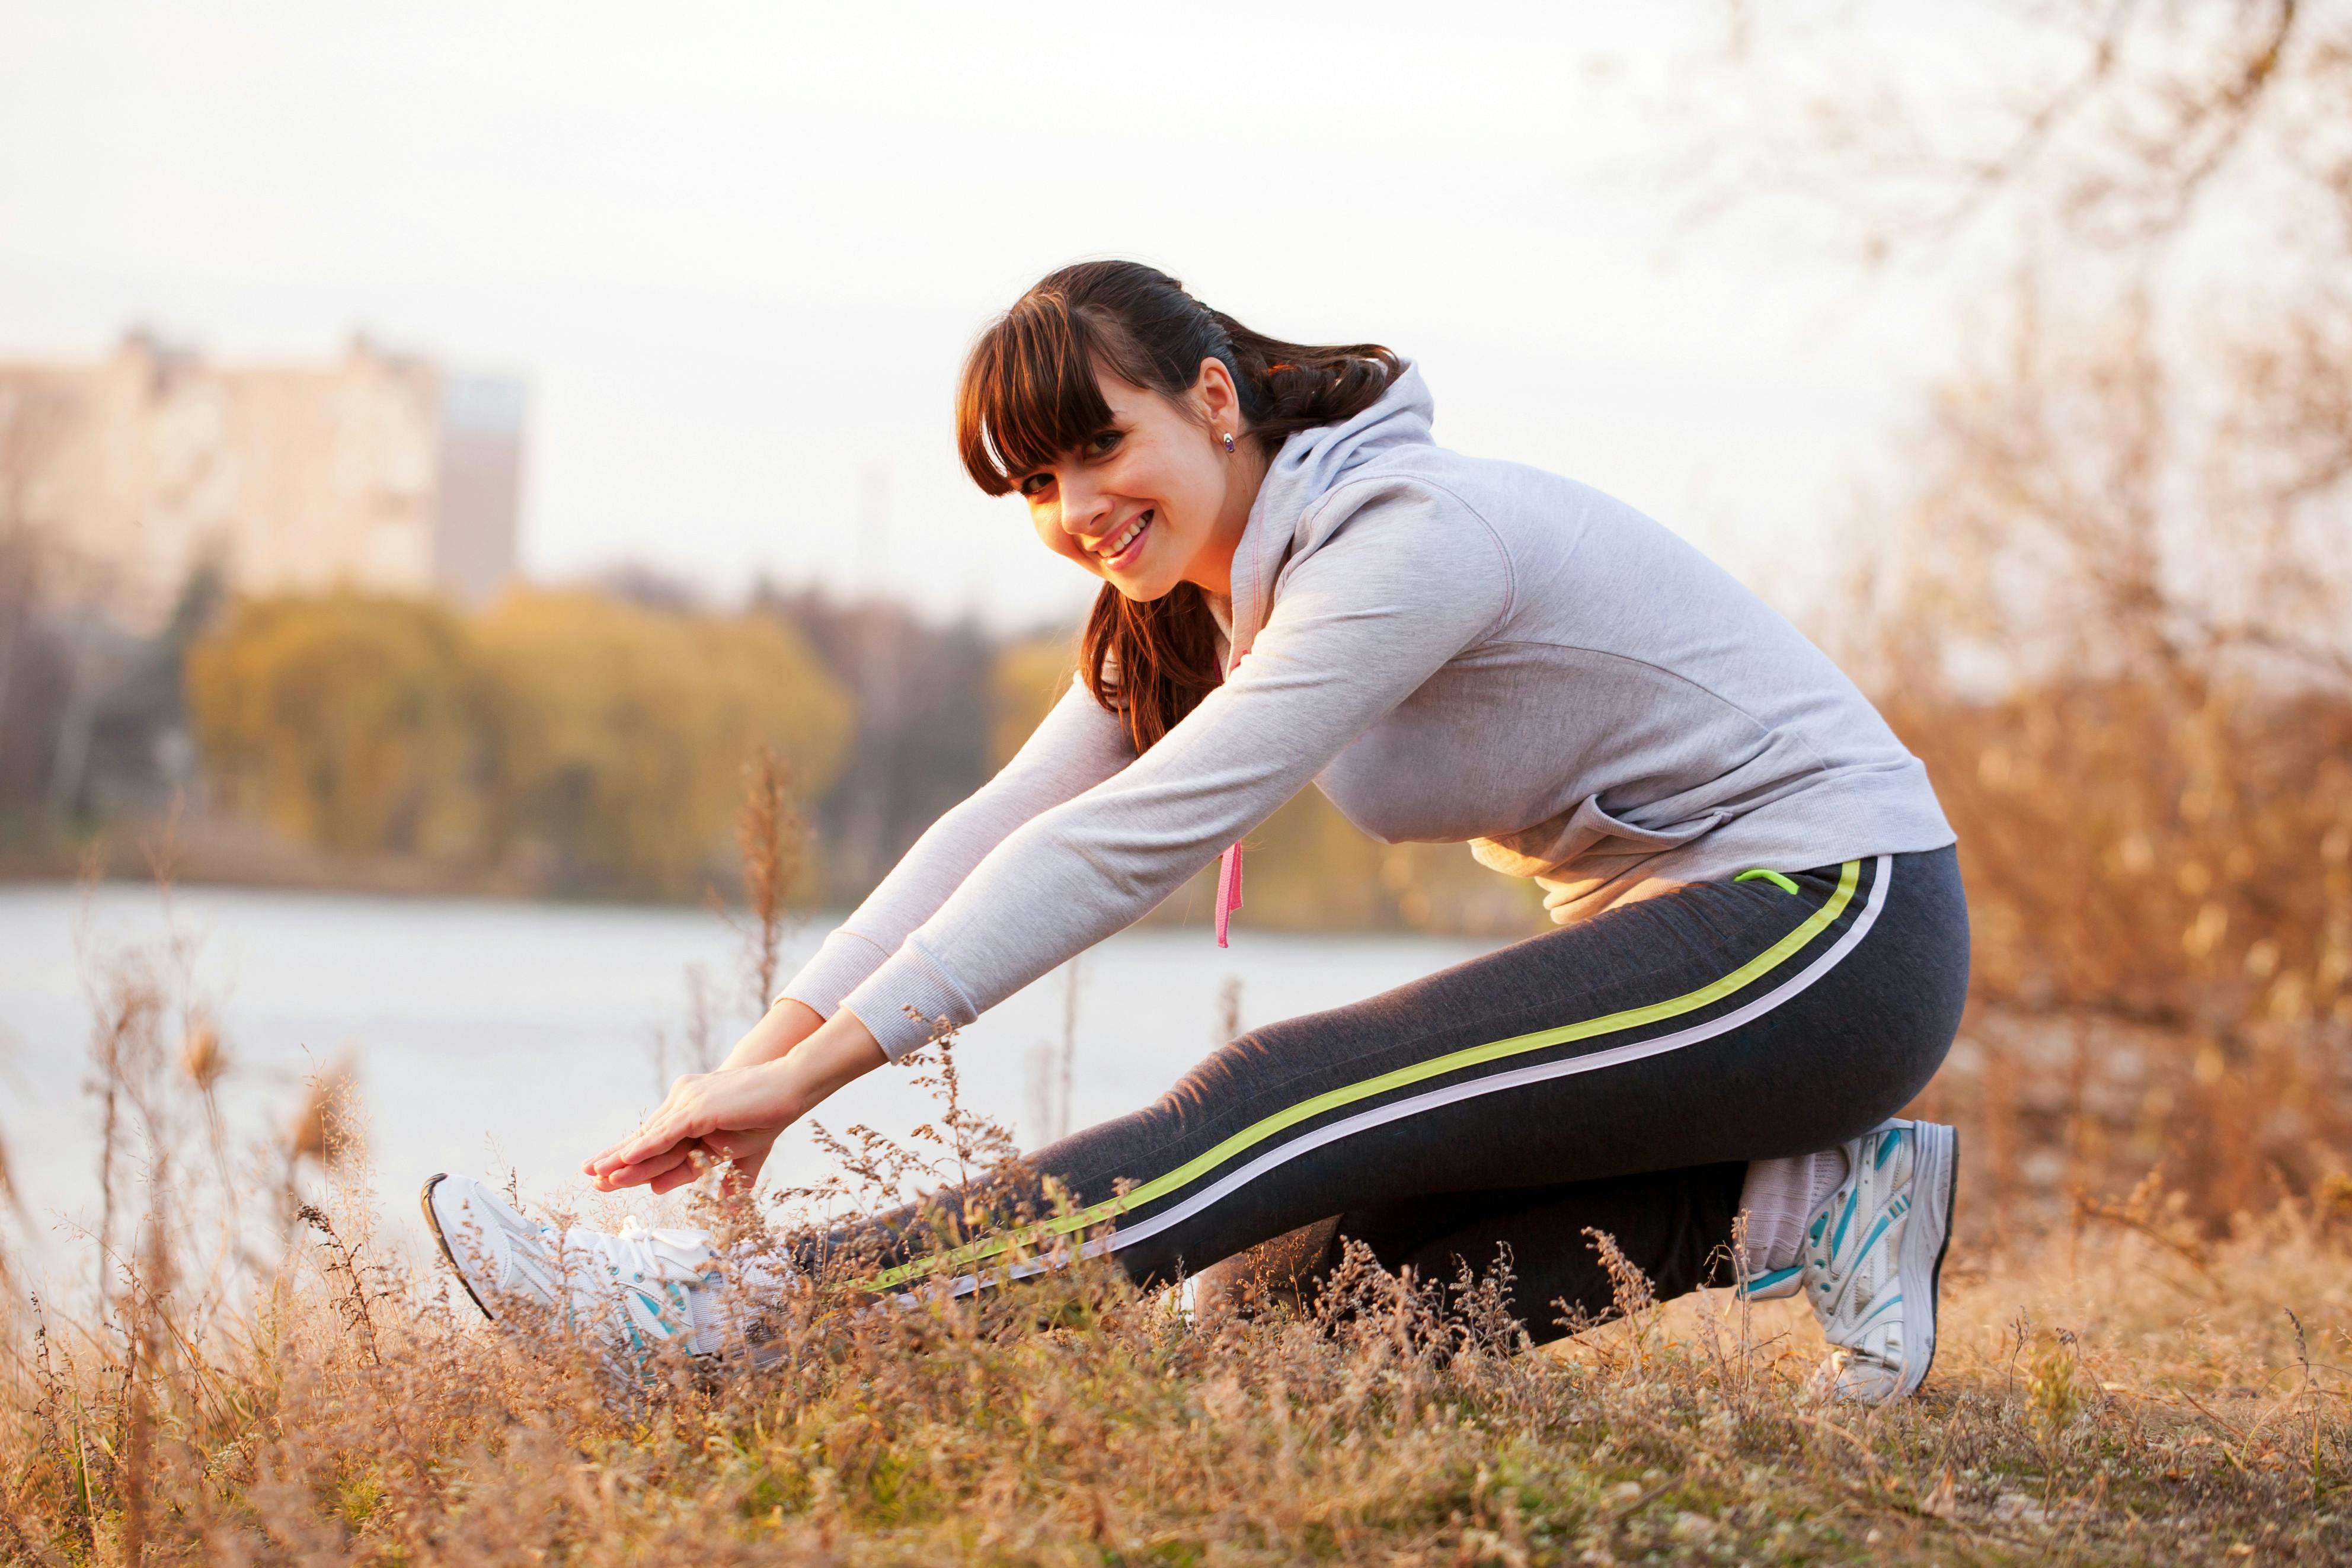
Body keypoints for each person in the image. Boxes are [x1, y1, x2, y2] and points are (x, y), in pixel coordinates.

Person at [421, 260, 1969, 1404]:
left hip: (1832, 920)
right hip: (1689, 952)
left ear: (1213, 400)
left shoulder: (1406, 546)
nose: (1078, 503)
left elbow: (1121, 846)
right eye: (1035, 481)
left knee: (1270, 1097)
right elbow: (1005, 823)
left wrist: (824, 1078)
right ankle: (1815, 1201)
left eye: (1101, 447)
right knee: (1270, 1336)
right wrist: (766, 1070)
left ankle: (734, 1326)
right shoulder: (1196, 603)